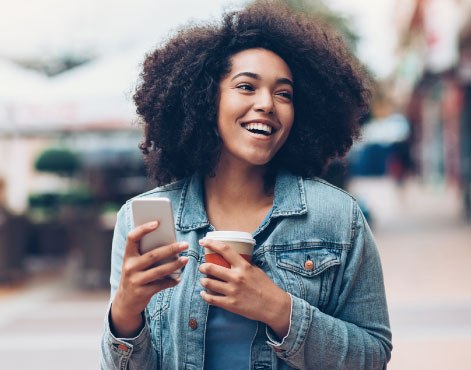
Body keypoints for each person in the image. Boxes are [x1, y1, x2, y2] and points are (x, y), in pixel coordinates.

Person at [101, 1, 392, 369]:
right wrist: (125, 311)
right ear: (206, 98)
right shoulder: (143, 221)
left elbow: (373, 356)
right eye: (246, 87)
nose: (267, 104)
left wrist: (277, 309)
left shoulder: (337, 217)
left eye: (283, 93)